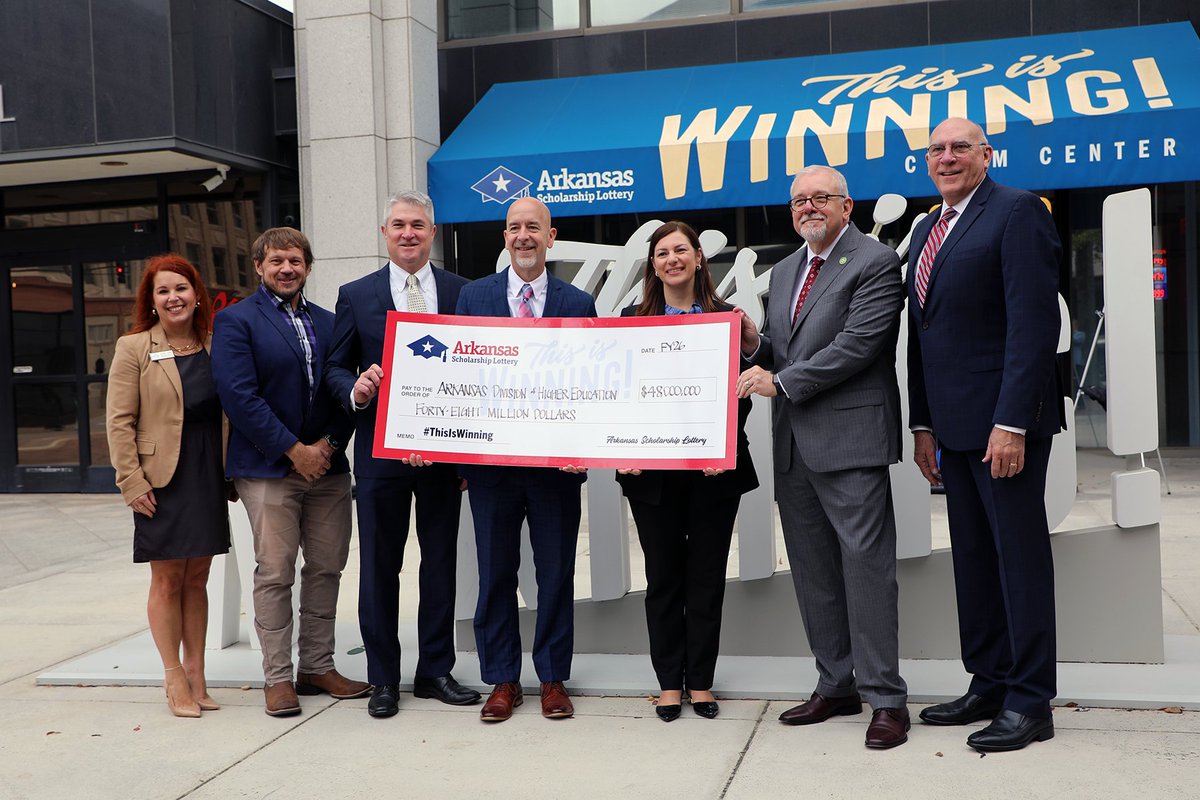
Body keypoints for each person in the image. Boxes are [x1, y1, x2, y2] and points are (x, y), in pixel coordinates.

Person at [737, 165, 909, 749]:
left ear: (846, 204)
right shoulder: (784, 270)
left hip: (850, 441)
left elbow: (859, 345)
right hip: (794, 445)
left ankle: (886, 697)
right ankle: (835, 684)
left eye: (820, 198)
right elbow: (783, 349)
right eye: (798, 201)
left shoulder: (876, 262)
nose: (808, 207)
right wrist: (752, 344)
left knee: (866, 571)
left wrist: (780, 382)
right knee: (813, 572)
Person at [908, 117, 1064, 753]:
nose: (947, 158)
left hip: (1004, 427)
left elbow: (1031, 326)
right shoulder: (926, 229)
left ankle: (1030, 701)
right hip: (951, 427)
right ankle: (990, 680)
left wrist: (1012, 423)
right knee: (972, 561)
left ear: (986, 154)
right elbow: (923, 335)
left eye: (960, 148)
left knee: (1018, 562)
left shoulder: (1017, 212)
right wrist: (922, 424)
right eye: (937, 149)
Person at [325, 190, 478, 718]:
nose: (408, 233)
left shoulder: (463, 291)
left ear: (433, 232)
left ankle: (435, 670)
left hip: (445, 454)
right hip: (380, 456)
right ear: (384, 233)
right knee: (380, 569)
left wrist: (468, 455)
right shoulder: (357, 294)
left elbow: (481, 369)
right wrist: (357, 387)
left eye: (418, 224)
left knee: (440, 566)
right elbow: (334, 368)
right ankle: (384, 678)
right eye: (398, 225)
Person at [212, 227, 368, 717]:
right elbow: (239, 397)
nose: (286, 269)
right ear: (259, 266)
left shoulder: (330, 321)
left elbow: (348, 390)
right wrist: (292, 450)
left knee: (326, 567)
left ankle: (317, 665)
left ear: (307, 267)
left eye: (295, 261)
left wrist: (328, 446)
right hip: (267, 468)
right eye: (276, 260)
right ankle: (277, 677)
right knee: (275, 572)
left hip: (329, 469)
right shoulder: (236, 322)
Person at [455, 197, 596, 723]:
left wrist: (580, 448)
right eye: (514, 227)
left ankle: (554, 677)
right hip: (492, 470)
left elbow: (591, 383)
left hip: (555, 470)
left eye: (532, 227)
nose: (523, 236)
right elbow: (459, 383)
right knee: (495, 573)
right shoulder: (474, 297)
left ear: (551, 236)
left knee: (555, 572)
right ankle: (503, 680)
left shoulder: (578, 302)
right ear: (505, 236)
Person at [616, 221, 758, 722]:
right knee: (663, 579)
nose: (671, 259)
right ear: (652, 265)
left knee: (706, 577)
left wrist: (750, 345)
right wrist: (620, 447)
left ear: (699, 258)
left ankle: (700, 681)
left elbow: (745, 389)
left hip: (713, 473)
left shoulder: (728, 319)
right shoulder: (631, 322)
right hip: (650, 475)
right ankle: (666, 682)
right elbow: (617, 397)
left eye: (681, 250)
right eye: (662, 253)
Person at [106, 254, 231, 718]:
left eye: (181, 288)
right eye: (163, 290)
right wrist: (130, 481)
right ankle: (173, 675)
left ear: (197, 295)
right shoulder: (133, 347)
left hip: (208, 473)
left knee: (197, 578)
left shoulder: (217, 345)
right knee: (167, 578)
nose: (174, 297)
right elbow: (119, 421)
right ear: (152, 301)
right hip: (160, 479)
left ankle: (198, 674)